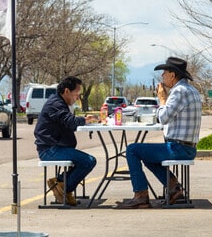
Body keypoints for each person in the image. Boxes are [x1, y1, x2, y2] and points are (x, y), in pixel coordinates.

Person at [117, 57, 202, 209]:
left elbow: (163, 118)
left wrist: (162, 99)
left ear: (172, 75)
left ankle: (140, 195)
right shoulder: (191, 90)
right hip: (188, 147)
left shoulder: (179, 91)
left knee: (133, 150)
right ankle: (174, 189)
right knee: (147, 154)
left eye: (164, 72)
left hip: (178, 148)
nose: (162, 76)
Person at [35, 76, 98, 206]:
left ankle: (59, 183)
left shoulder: (59, 103)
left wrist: (83, 119)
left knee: (84, 161)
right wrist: (85, 120)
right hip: (49, 149)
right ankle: (63, 188)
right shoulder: (56, 104)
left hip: (56, 147)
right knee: (88, 161)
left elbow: (69, 121)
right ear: (67, 91)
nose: (78, 98)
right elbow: (70, 122)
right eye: (77, 94)